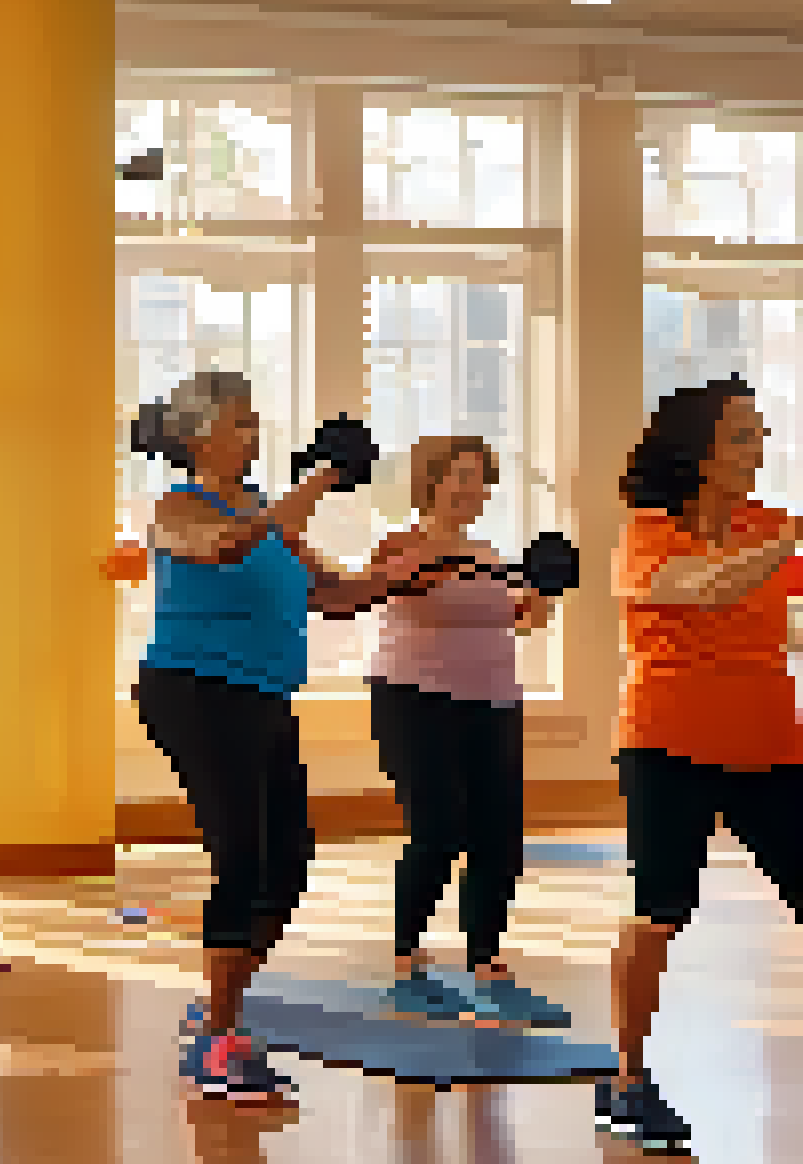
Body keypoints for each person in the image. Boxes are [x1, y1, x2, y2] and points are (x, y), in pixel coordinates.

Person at [130, 371, 391, 1106]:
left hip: (262, 698)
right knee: (241, 854)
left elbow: (337, 598)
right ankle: (218, 1039)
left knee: (291, 861)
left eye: (254, 421)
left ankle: (220, 1005)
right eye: (241, 423)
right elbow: (224, 548)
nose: (253, 434)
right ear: (197, 437)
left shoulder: (268, 519)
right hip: (194, 691)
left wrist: (408, 575)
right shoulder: (177, 509)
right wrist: (315, 482)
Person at [596, 377, 803, 1154]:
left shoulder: (769, 524)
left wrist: (780, 546)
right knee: (660, 909)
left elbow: (787, 618)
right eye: (743, 434)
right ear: (700, 450)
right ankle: (626, 1080)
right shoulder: (649, 534)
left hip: (770, 744)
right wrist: (781, 547)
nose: (758, 448)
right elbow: (707, 590)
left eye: (759, 433)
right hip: (669, 742)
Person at [359, 436, 564, 1025]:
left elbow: (519, 619)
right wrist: (446, 565)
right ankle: (406, 943)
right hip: (413, 698)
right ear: (432, 483)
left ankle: (484, 950)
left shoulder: (491, 554)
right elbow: (384, 587)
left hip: (494, 700)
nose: (473, 489)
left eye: (481, 479)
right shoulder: (402, 543)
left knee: (500, 832)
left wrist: (545, 591)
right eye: (461, 476)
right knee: (439, 826)